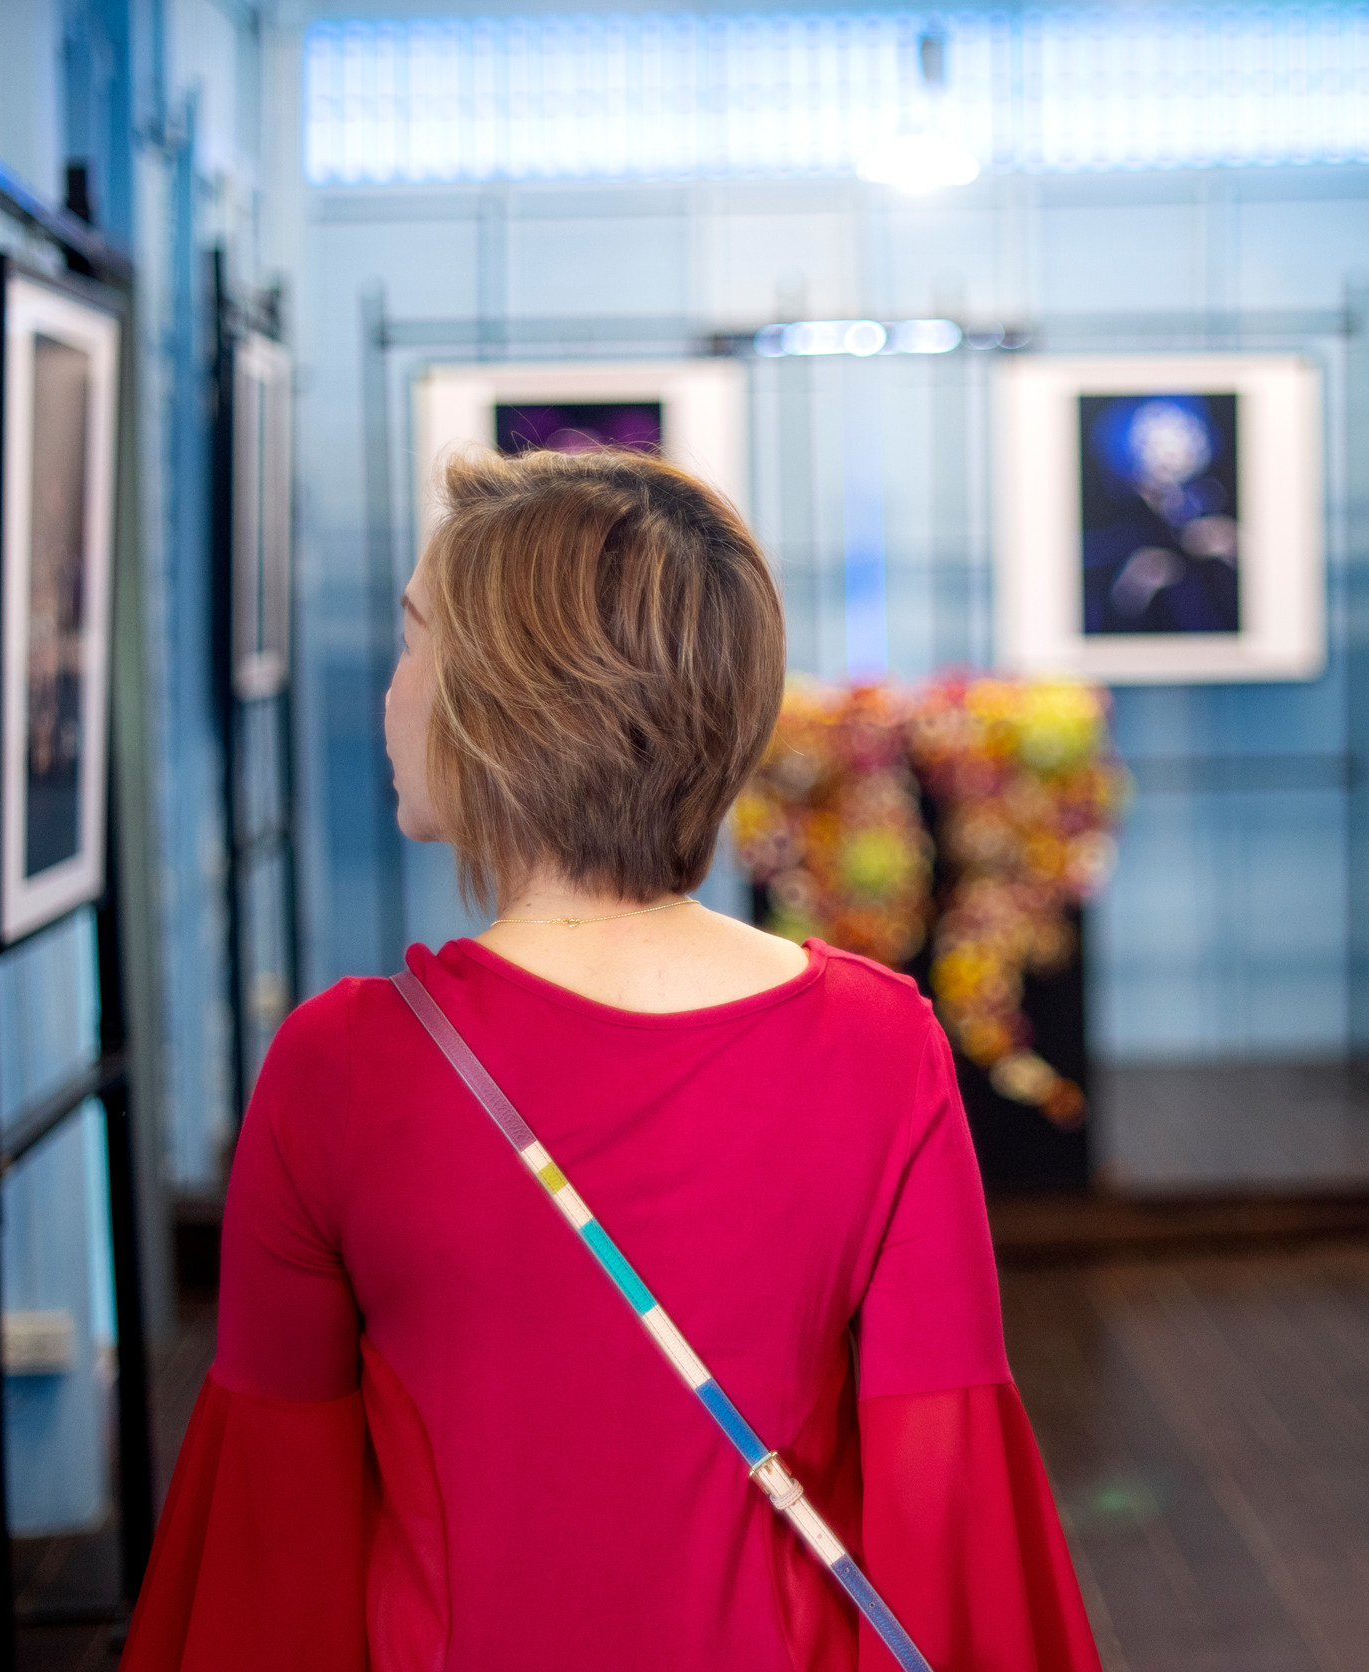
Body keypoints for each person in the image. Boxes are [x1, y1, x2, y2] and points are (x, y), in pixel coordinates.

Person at [124, 447, 1102, 1671]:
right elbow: (948, 1501)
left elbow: (276, 1549)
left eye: (416, 641)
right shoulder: (881, 1046)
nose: (391, 690)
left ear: (503, 704)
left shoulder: (343, 1065)